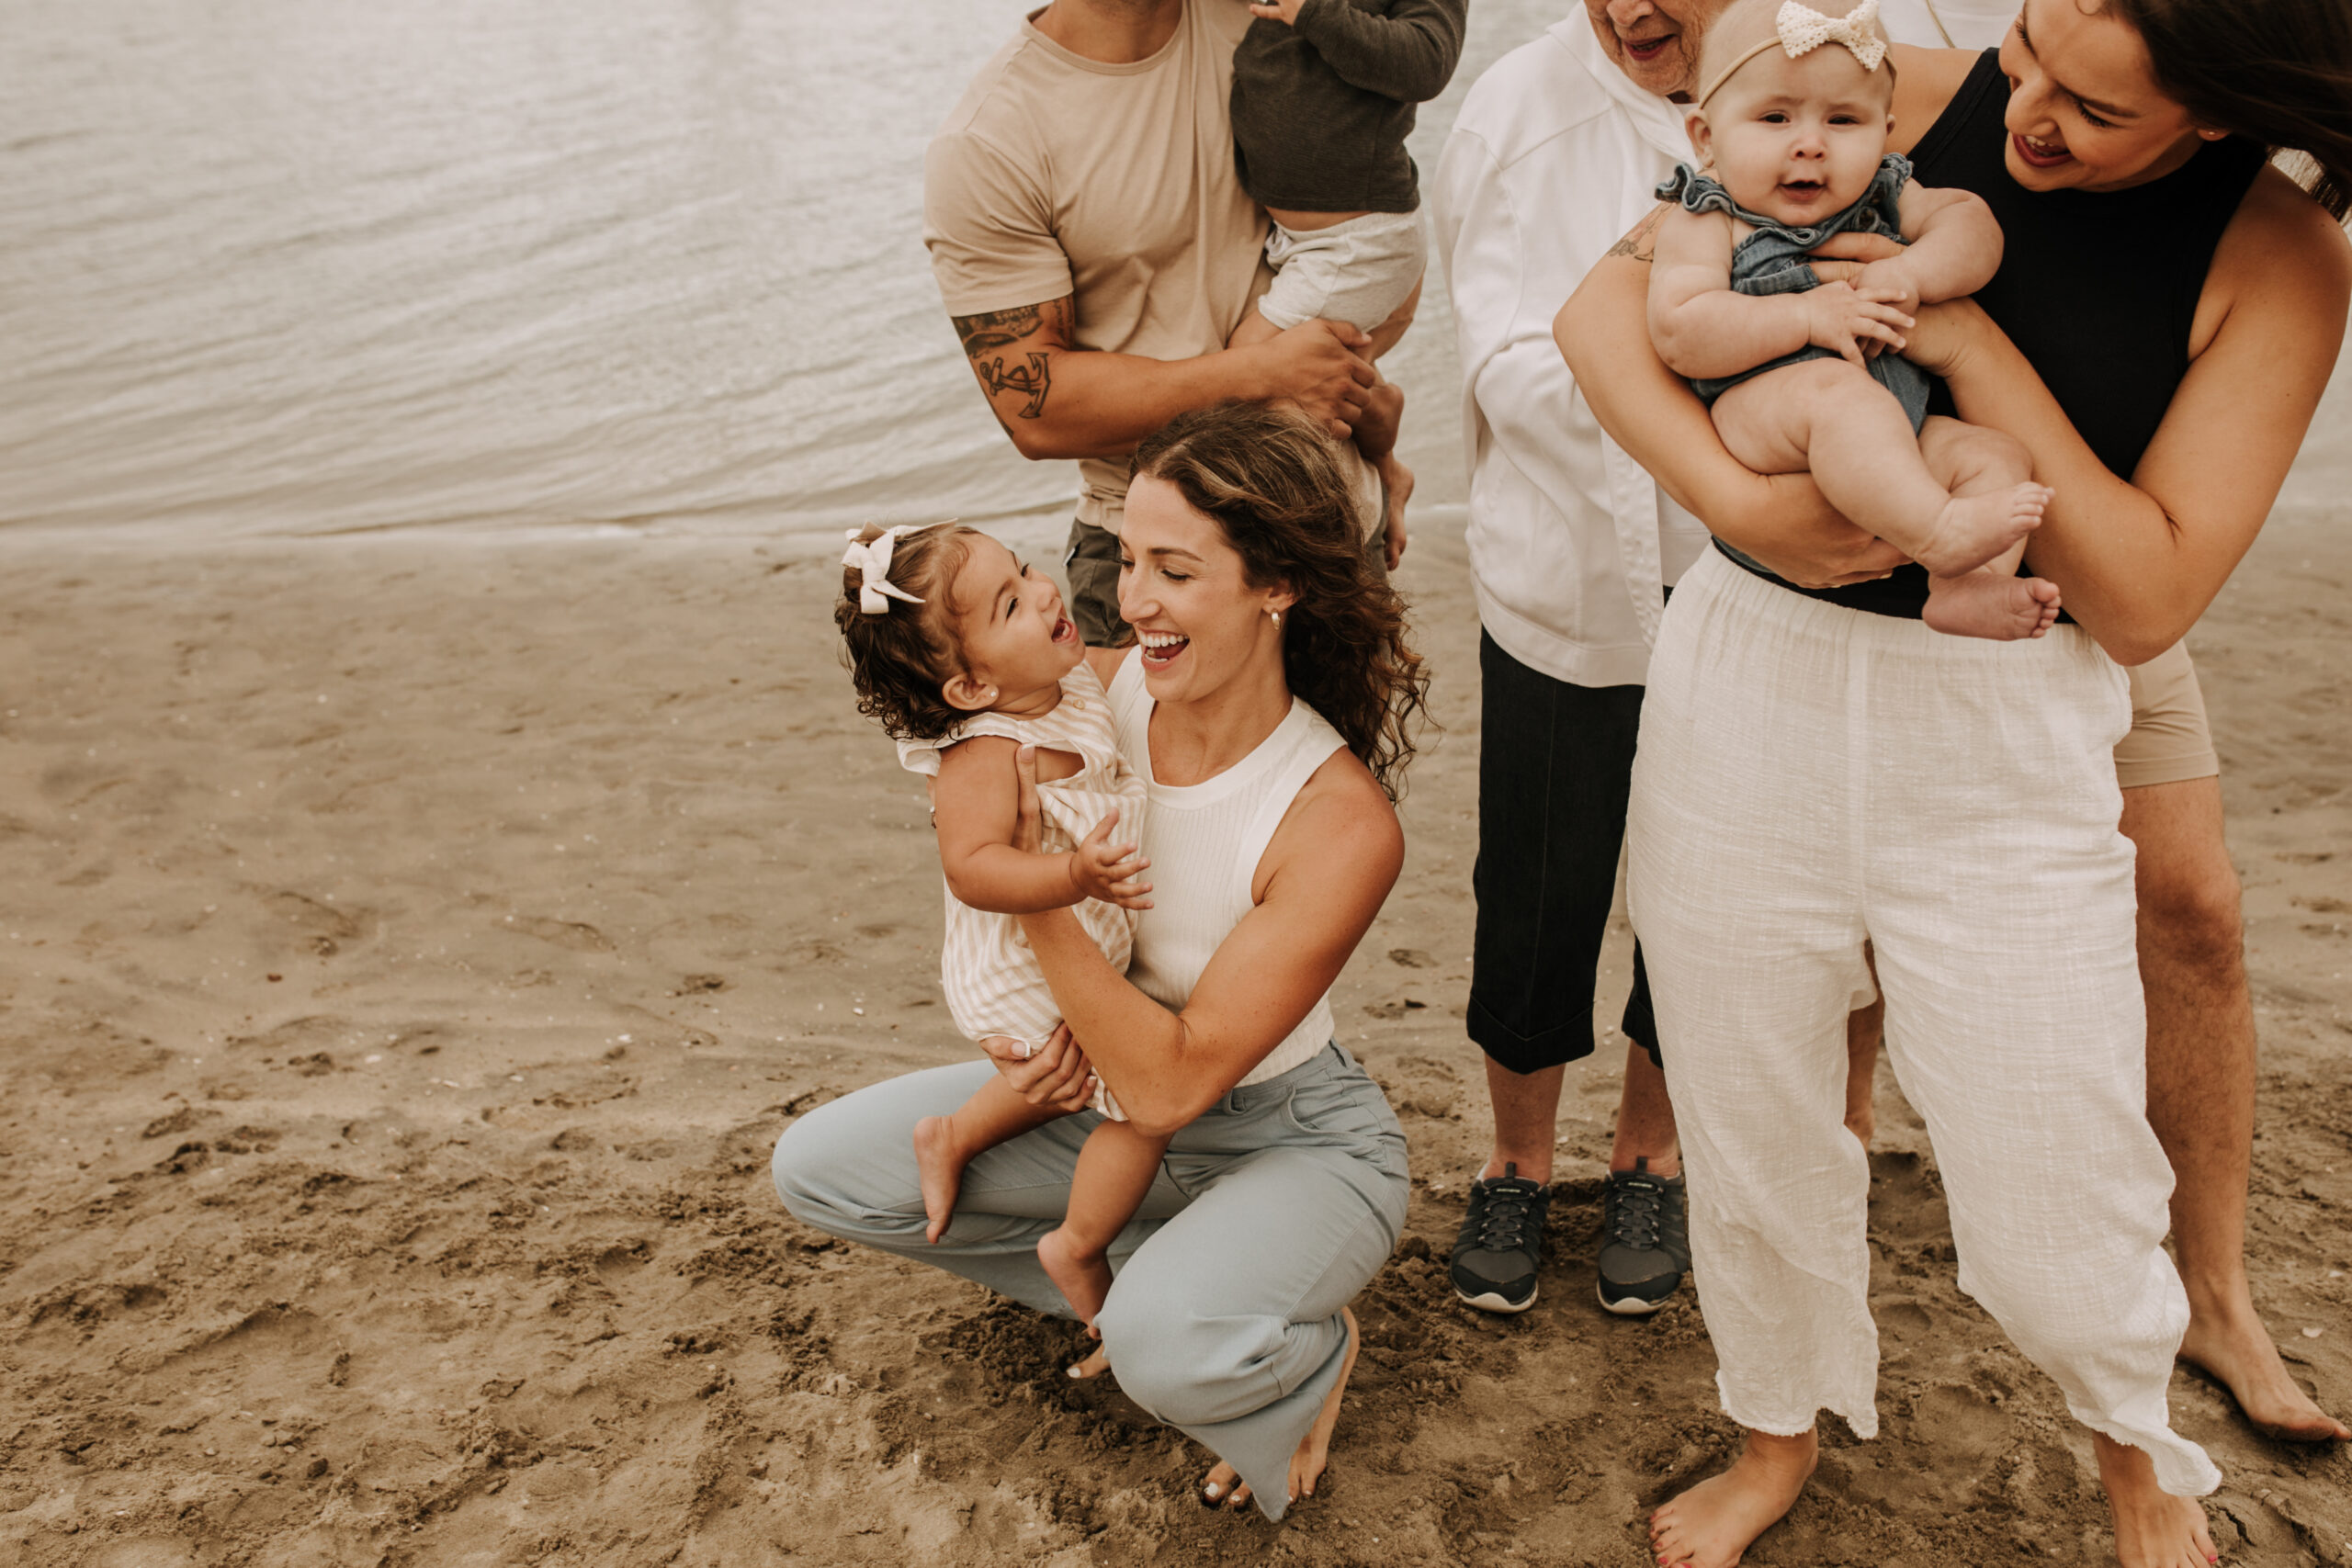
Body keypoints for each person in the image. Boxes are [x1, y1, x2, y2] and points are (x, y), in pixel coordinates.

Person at [1558, 0, 2352, 1560]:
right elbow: (1604, 313)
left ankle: (2137, 1445)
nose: (2023, 106)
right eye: (2032, 45)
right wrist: (1740, 501)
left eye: (2091, 108)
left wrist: (1965, 337)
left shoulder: (2277, 264)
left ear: (2211, 116)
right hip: (1750, 678)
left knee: (2051, 1124)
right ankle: (1775, 1428)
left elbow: (2145, 597)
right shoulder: (1870, 100)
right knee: (1752, 1096)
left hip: (2006, 717)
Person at [775, 400, 1431, 1519]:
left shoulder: (1337, 819)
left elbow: (1174, 1081)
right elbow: (966, 741)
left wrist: (1045, 905)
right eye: (1125, 560)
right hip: (1099, 1104)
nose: (1131, 602)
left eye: (1174, 570)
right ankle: (1188, 1283)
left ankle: (1291, 1350)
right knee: (822, 1169)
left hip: (1285, 1135)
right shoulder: (1093, 689)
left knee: (1159, 1352)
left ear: (1274, 585)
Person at [1430, 0, 1963, 1319]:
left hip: (1767, 597)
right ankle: (1515, 1158)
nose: (1640, 9)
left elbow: (1944, 248)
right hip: (1566, 588)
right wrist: (1724, 404)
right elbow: (1505, 362)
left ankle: (1650, 1154)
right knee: (1540, 892)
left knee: (1707, 896)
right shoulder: (1515, 113)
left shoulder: (1834, 81)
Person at [924, 0, 1409, 650]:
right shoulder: (990, 141)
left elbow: (1367, 235)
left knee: (1349, 758)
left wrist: (1372, 428)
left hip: (1329, 519)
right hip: (1153, 556)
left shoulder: (1269, 20)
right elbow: (1036, 408)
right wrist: (1261, 377)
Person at [1647, 0, 2062, 641]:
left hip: (1893, 424)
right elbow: (1681, 330)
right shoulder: (1711, 216)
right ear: (1706, 136)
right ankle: (1936, 533)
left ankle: (1966, 587)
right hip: (1772, 408)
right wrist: (1806, 314)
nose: (1810, 143)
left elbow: (1973, 227)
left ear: (1885, 131)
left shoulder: (1885, 191)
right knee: (1843, 400)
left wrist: (1913, 273)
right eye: (1775, 117)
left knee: (1993, 454)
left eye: (1844, 120)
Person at [831, 521, 1160, 1327]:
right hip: (1017, 964)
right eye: (1012, 602)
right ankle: (1077, 1245)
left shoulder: (1068, 681)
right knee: (1139, 1098)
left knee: (1076, 1074)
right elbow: (972, 869)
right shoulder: (987, 750)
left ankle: (952, 1134)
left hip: (1077, 939)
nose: (1047, 589)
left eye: (1025, 568)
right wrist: (1073, 874)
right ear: (972, 691)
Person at [1227, 0, 1465, 350]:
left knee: (1247, 358)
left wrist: (1315, 12)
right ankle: (1378, 399)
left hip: (1357, 246)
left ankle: (1378, 398)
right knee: (1315, 378)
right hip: (1285, 236)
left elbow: (1428, 60)